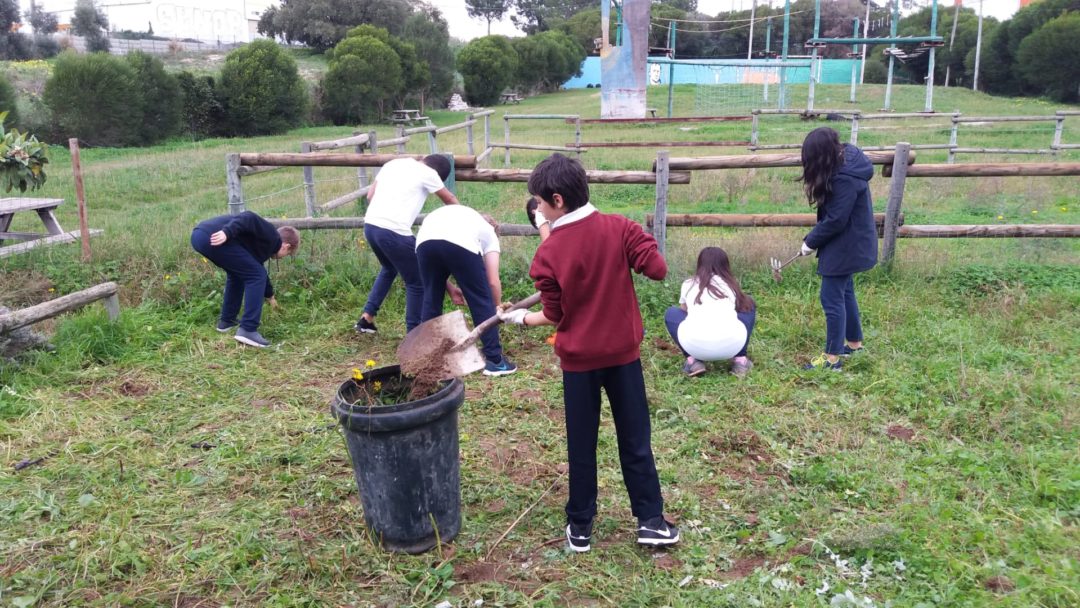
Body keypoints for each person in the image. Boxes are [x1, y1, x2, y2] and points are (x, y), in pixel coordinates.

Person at [500, 153, 679, 553]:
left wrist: (520, 321)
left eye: (541, 204)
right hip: (623, 358)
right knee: (635, 439)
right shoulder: (620, 229)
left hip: (579, 365)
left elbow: (555, 315)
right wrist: (637, 238)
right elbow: (658, 270)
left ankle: (580, 526)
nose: (540, 211)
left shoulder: (549, 253)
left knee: (581, 444)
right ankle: (650, 520)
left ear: (558, 200)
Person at [797, 127, 877, 370]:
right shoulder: (848, 160)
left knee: (831, 299)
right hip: (853, 241)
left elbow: (836, 219)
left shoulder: (843, 179)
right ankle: (854, 344)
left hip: (845, 245)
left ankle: (832, 359)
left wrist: (810, 242)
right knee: (846, 293)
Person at [355, 154, 462, 335]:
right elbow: (450, 199)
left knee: (389, 269)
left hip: (371, 226)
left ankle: (367, 319)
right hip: (394, 232)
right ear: (439, 174)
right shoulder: (429, 173)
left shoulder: (394, 163)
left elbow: (370, 195)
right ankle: (413, 335)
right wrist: (465, 219)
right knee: (417, 283)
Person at [415, 204, 517, 376]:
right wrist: (496, 310)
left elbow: (440, 254)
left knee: (431, 297)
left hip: (423, 242)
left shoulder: (463, 217)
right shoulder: (489, 232)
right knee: (481, 299)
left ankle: (429, 359)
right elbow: (492, 282)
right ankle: (495, 361)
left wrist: (451, 288)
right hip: (457, 243)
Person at [191, 211, 300, 348]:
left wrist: (270, 295)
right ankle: (248, 329)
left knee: (238, 274)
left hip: (201, 236)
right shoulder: (272, 235)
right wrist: (227, 232)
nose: (283, 257)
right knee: (255, 275)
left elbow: (257, 268)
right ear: (287, 246)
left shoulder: (263, 246)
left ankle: (227, 321)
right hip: (213, 236)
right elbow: (249, 217)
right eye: (287, 254)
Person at [664, 247, 756, 378]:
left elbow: (684, 311)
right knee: (749, 303)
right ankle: (740, 360)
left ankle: (693, 361)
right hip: (732, 345)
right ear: (725, 265)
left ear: (700, 264)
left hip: (694, 346)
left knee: (672, 313)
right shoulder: (730, 284)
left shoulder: (688, 284)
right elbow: (741, 307)